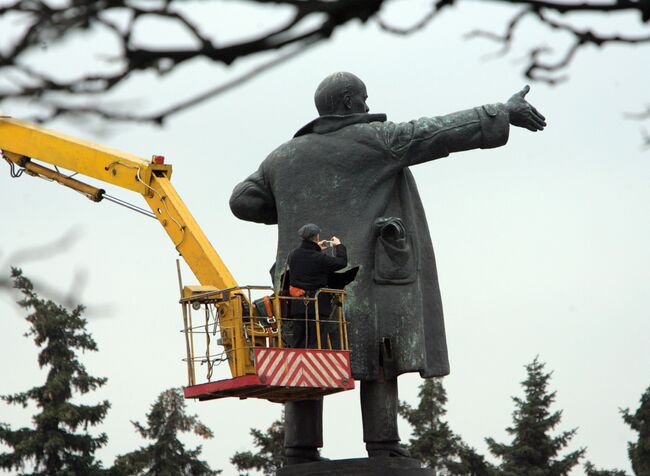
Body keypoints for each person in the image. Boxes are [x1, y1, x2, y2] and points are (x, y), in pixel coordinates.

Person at [229, 72, 546, 462]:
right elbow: (438, 131)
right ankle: (383, 447)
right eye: (362, 98)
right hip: (363, 281)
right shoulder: (377, 140)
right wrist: (501, 112)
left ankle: (299, 450)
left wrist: (298, 203)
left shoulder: (282, 157)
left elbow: (242, 201)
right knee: (380, 358)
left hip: (302, 290)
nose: (366, 104)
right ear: (348, 103)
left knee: (305, 359)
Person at [286, 223, 347, 349]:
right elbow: (342, 262)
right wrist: (339, 246)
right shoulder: (320, 258)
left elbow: (306, 258)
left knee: (299, 341)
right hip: (318, 306)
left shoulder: (293, 255)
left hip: (298, 306)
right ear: (317, 237)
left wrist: (317, 248)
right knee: (317, 342)